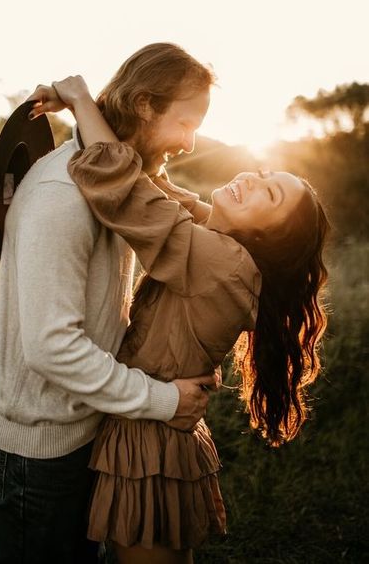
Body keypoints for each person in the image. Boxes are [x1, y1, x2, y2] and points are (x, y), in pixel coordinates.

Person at [30, 74, 330, 564]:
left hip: (151, 443)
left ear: (269, 238)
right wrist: (106, 119)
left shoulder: (224, 263)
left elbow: (131, 194)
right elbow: (158, 188)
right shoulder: (218, 239)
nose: (253, 179)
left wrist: (83, 100)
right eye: (266, 174)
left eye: (269, 196)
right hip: (152, 429)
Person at [0, 43, 219, 564]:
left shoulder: (117, 183)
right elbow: (52, 348)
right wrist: (164, 400)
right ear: (147, 105)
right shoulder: (62, 196)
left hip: (85, 431)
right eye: (186, 122)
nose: (189, 142)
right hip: (36, 452)